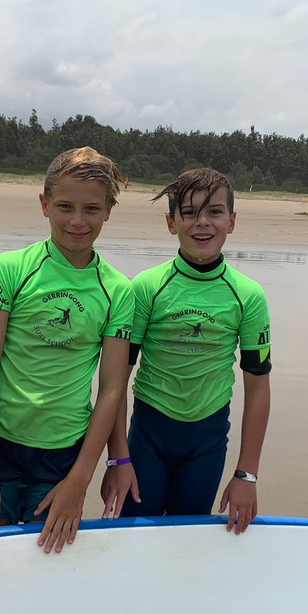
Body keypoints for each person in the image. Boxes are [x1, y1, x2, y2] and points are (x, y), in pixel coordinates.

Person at [0, 147, 134, 554]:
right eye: (65, 206)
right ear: (44, 204)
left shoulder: (118, 290)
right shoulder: (11, 268)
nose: (77, 221)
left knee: (43, 562)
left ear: (108, 210)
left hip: (63, 457)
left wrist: (80, 478)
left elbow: (111, 389)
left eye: (91, 209)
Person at [101, 169, 271, 535]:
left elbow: (258, 388)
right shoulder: (147, 287)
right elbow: (116, 378)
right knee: (134, 537)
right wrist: (118, 458)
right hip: (148, 437)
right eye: (190, 212)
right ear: (171, 222)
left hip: (206, 442)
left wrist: (246, 474)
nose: (202, 223)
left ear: (232, 221)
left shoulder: (248, 295)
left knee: (186, 541)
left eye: (214, 212)